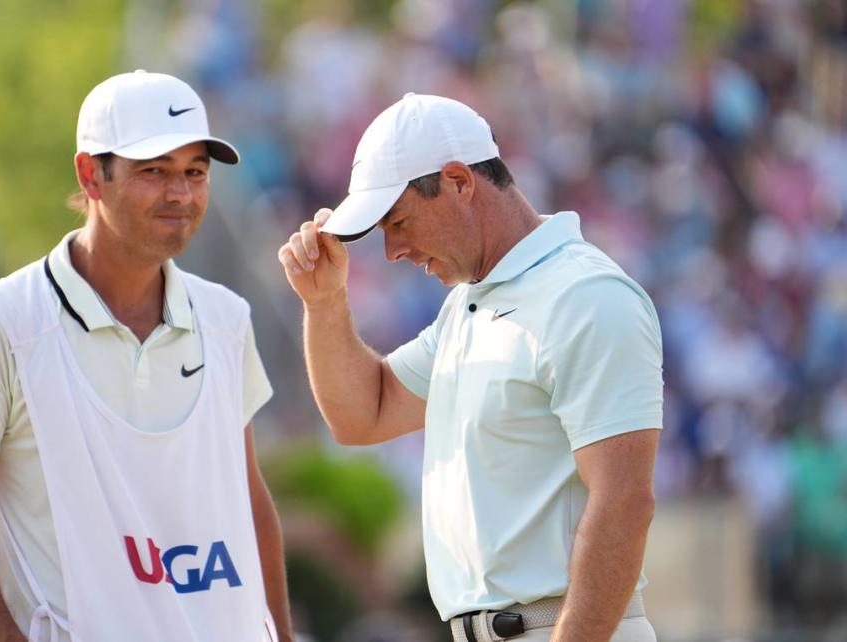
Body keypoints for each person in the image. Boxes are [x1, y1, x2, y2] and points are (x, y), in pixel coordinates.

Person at [0, 70, 292, 642]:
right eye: (154, 172)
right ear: (91, 174)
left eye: (195, 172)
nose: (181, 195)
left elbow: (247, 497)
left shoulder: (226, 319)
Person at [277, 93, 663, 642]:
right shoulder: (469, 303)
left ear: (459, 182)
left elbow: (624, 501)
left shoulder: (587, 295)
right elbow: (363, 414)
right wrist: (324, 303)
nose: (392, 251)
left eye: (399, 221)